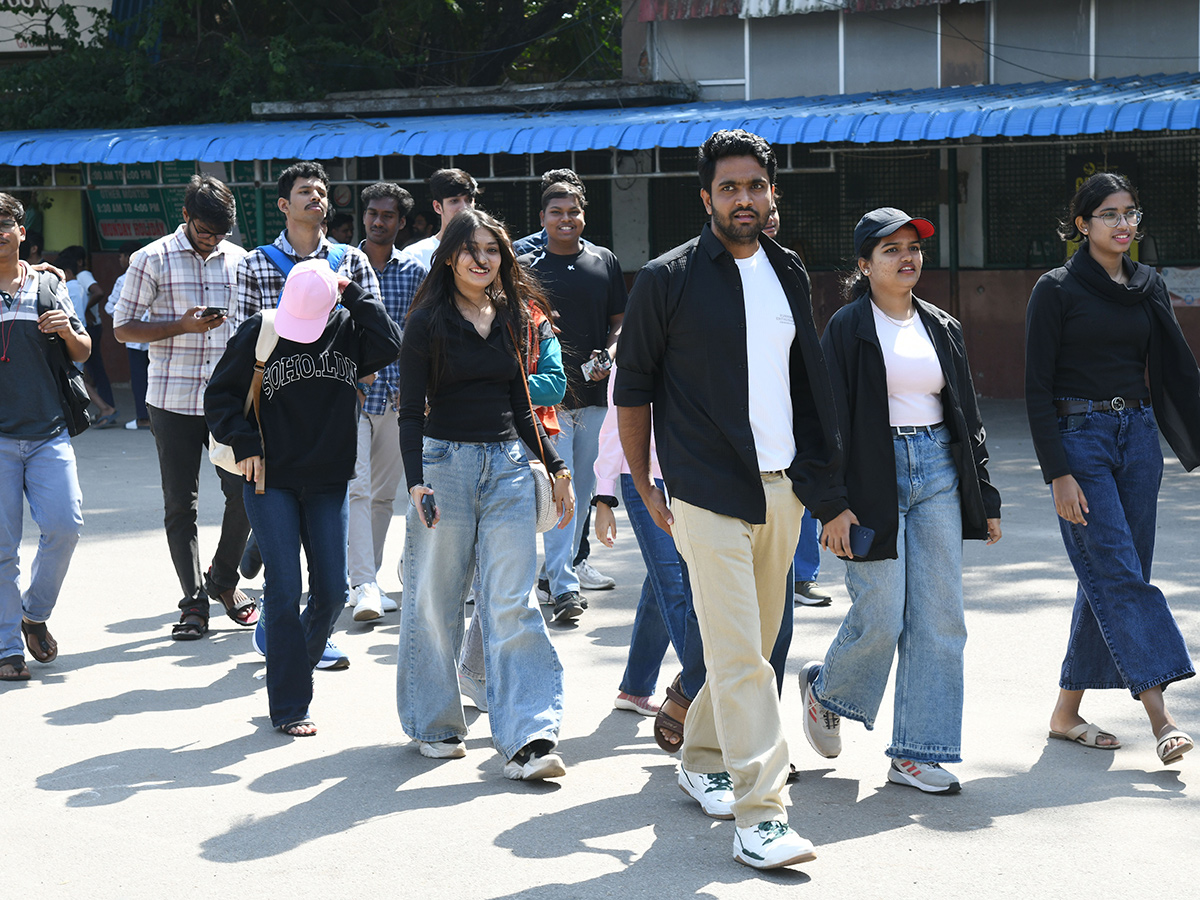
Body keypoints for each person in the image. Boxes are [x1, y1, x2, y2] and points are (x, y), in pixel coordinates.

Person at [616, 129, 841, 870]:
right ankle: (762, 813)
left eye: (755, 186)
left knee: (751, 645)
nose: (743, 199)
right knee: (746, 657)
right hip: (706, 488)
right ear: (705, 197)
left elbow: (804, 384)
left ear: (772, 192)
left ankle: (704, 754)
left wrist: (821, 484)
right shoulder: (666, 277)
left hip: (783, 490)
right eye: (728, 188)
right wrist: (644, 480)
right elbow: (635, 385)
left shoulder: (788, 269)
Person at [799, 207, 1002, 796]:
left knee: (941, 616)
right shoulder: (846, 327)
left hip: (937, 466)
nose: (906, 257)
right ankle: (827, 691)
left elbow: (966, 414)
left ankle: (917, 752)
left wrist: (983, 496)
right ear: (864, 265)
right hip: (870, 478)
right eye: (890, 250)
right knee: (881, 612)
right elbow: (822, 421)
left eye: (912, 247)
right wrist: (830, 504)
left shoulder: (942, 326)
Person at [1025, 173, 1198, 766]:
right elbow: (1036, 386)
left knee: (1113, 571)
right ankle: (1162, 716)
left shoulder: (1147, 286)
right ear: (1081, 225)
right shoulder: (1055, 290)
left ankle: (1066, 712)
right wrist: (1058, 473)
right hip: (1081, 440)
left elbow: (1178, 368)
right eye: (1108, 214)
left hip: (1139, 438)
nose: (1123, 224)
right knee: (1120, 574)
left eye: (1130, 213)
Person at [396, 207, 574, 781]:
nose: (482, 259)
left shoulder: (514, 315)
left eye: (492, 250)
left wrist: (556, 464)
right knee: (435, 600)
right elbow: (408, 412)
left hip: (507, 467)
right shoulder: (426, 320)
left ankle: (529, 738)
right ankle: (437, 724)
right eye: (471, 249)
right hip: (442, 464)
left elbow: (521, 400)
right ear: (449, 255)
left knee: (512, 601)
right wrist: (415, 481)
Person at [206, 259, 401, 735]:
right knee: (286, 589)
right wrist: (246, 444)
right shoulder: (262, 330)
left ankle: (291, 667)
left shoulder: (350, 329)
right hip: (270, 478)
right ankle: (291, 703)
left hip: (328, 479)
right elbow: (220, 398)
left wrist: (352, 292)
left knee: (334, 592)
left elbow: (392, 344)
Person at [234, 160, 382, 669]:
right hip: (277, 417)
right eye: (305, 191)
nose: (317, 197)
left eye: (322, 191)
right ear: (283, 204)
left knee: (328, 544)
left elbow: (373, 331)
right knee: (285, 547)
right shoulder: (256, 263)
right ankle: (280, 632)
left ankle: (310, 634)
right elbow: (244, 338)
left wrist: (350, 384)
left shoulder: (351, 262)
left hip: (332, 414)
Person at [113, 175, 258, 640]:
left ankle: (223, 580)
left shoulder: (240, 261)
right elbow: (122, 329)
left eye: (220, 233)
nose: (212, 240)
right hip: (171, 399)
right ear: (186, 217)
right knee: (181, 504)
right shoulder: (150, 258)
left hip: (227, 401)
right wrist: (180, 325)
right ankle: (193, 602)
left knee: (245, 496)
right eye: (204, 231)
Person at [522, 180, 625, 622]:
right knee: (558, 487)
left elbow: (619, 323)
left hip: (596, 396)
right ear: (542, 218)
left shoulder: (604, 260)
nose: (566, 219)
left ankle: (558, 571)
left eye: (574, 212)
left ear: (585, 215)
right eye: (556, 212)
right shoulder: (525, 266)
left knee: (584, 490)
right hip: (550, 401)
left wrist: (610, 352)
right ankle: (564, 585)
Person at [0, 193, 89, 682]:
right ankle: (8, 645)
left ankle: (34, 613)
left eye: (5, 223)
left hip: (48, 433)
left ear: (22, 231)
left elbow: (84, 350)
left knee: (66, 526)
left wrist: (65, 332)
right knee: (1, 548)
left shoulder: (48, 285)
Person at [348, 182, 427, 621]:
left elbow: (421, 340)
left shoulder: (415, 273)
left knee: (383, 496)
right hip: (352, 393)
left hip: (399, 398)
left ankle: (366, 580)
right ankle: (361, 583)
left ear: (402, 222)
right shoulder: (342, 264)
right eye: (373, 214)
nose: (379, 222)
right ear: (364, 217)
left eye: (388, 216)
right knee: (355, 488)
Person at [764, 203, 832, 608]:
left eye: (775, 209)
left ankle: (803, 577)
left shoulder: (790, 268)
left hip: (790, 397)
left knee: (800, 486)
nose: (770, 216)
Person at [58, 246, 118, 428]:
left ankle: (105, 408)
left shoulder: (67, 288)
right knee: (81, 375)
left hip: (72, 336)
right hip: (82, 331)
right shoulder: (81, 287)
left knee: (74, 376)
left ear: (67, 272)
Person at [104, 240, 150, 430]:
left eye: (122, 256)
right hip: (157, 334)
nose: (120, 259)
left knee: (140, 379)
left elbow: (110, 306)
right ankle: (153, 418)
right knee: (156, 378)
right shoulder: (154, 275)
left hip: (134, 336)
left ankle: (142, 418)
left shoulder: (123, 280)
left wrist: (125, 319)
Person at [402, 169, 479, 268]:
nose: (464, 207)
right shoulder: (415, 255)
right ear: (437, 207)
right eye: (454, 201)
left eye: (469, 200)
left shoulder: (488, 250)